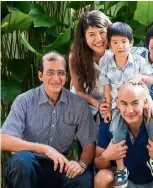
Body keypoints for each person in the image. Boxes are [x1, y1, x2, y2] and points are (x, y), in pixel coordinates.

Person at [1, 52, 97, 188]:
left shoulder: (78, 104)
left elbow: (89, 145)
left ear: (66, 77)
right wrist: (44, 149)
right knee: (23, 161)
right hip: (27, 164)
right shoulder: (24, 101)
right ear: (40, 76)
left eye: (61, 73)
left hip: (58, 166)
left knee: (84, 179)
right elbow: (3, 140)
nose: (56, 78)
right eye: (50, 72)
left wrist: (80, 164)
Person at [98, 22, 153, 188]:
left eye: (123, 42)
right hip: (118, 108)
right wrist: (106, 107)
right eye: (115, 42)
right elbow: (107, 88)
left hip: (140, 105)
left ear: (131, 43)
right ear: (109, 44)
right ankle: (121, 169)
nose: (120, 46)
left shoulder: (139, 61)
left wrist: (140, 77)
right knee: (117, 132)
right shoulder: (106, 64)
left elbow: (151, 79)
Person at [94, 80, 153, 188]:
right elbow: (97, 163)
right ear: (118, 104)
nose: (129, 110)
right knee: (102, 177)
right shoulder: (108, 126)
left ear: (145, 102)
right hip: (125, 183)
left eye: (135, 103)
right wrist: (107, 156)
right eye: (124, 103)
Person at [69, 10, 112, 117]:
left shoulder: (117, 51)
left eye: (102, 32)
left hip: (111, 98)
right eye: (91, 34)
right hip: (85, 98)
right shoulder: (75, 56)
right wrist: (96, 103)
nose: (98, 39)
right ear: (84, 38)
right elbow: (79, 91)